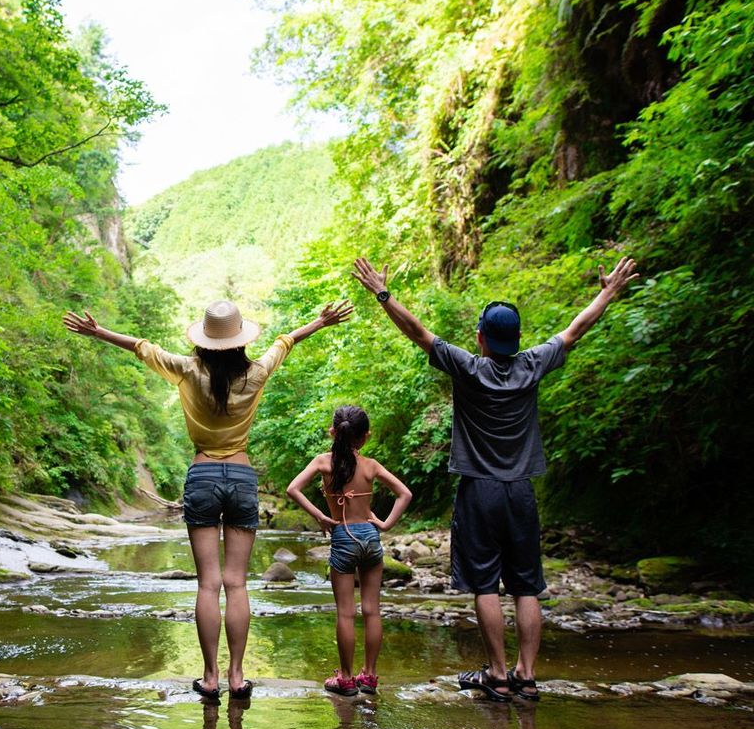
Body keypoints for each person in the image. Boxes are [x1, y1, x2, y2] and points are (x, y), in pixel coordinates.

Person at [350, 255, 639, 701]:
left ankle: (499, 675)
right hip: (521, 490)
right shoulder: (533, 365)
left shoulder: (469, 367)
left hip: (478, 490)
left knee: (484, 583)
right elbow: (576, 329)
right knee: (526, 584)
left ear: (481, 337)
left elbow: (417, 332)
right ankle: (527, 674)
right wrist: (609, 291)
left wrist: (383, 293)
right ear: (517, 339)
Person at [63, 299, 353, 700]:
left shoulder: (186, 371)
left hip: (201, 476)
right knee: (236, 584)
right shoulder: (255, 373)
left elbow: (140, 346)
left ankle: (210, 677)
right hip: (241, 476)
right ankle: (237, 677)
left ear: (204, 341)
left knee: (207, 584)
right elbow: (287, 341)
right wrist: (320, 321)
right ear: (239, 341)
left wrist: (98, 332)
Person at [286, 406, 411, 696]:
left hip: (342, 536)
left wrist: (320, 516)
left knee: (345, 613)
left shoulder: (323, 462)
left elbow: (293, 489)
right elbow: (405, 494)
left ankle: (344, 678)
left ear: (333, 432)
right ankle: (369, 676)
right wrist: (386, 524)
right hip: (370, 536)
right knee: (372, 610)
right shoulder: (371, 466)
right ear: (365, 437)